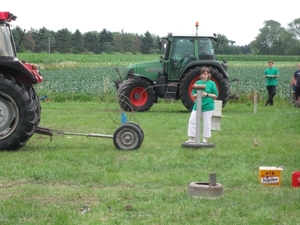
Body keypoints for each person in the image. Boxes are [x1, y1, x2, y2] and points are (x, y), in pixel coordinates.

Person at [186, 67, 218, 143]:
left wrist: (207, 94)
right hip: (197, 106)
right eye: (203, 73)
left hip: (208, 106)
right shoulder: (197, 83)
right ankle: (192, 138)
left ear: (209, 75)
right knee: (192, 121)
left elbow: (215, 95)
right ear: (201, 75)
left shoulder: (212, 83)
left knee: (207, 122)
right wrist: (199, 94)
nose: (204, 75)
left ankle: (205, 138)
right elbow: (193, 94)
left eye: (206, 74)